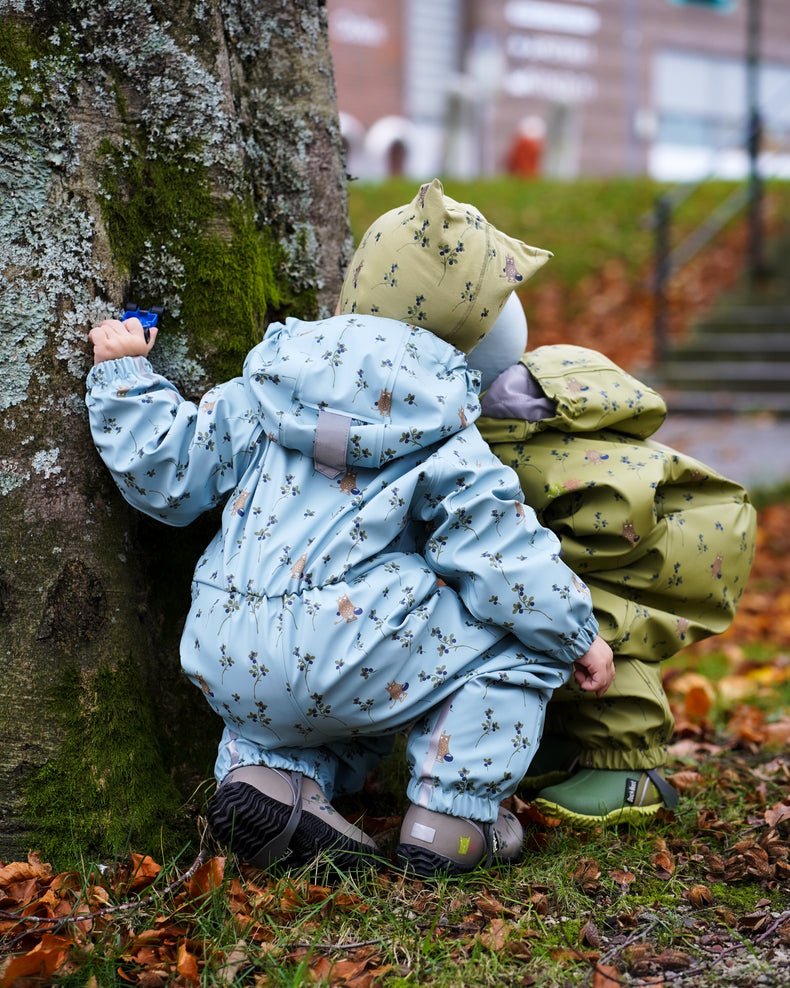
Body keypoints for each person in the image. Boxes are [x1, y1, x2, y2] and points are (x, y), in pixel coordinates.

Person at [85, 178, 614, 878]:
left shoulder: (264, 387)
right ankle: (451, 820)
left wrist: (124, 378)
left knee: (300, 681)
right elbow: (504, 556)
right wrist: (576, 632)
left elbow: (171, 473)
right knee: (516, 642)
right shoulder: (448, 434)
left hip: (227, 651)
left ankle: (274, 780)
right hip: (351, 648)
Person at [470, 304, 757, 827]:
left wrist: (553, 568)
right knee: (543, 608)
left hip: (662, 545)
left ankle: (630, 769)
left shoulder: (517, 434)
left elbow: (611, 502)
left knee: (596, 620)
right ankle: (568, 743)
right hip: (637, 538)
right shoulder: (526, 409)